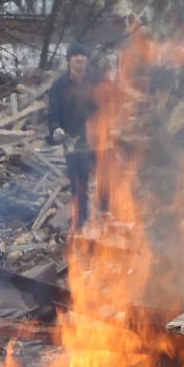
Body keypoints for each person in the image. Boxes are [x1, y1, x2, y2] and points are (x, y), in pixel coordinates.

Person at [48, 43, 106, 229]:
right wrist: (56, 128)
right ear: (69, 60)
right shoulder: (59, 86)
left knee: (104, 181)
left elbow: (110, 105)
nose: (79, 58)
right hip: (72, 142)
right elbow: (53, 113)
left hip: (98, 140)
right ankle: (81, 223)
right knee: (78, 183)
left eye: (83, 55)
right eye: (75, 55)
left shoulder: (98, 81)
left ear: (87, 60)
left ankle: (106, 219)